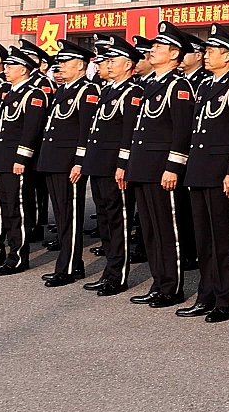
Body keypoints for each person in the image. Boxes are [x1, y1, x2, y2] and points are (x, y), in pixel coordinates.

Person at [179, 23, 229, 320]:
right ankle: (205, 295)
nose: (206, 55)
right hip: (200, 169)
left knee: (224, 239)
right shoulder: (205, 86)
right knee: (204, 239)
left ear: (227, 55)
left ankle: (224, 299)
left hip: (221, 172)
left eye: (212, 51)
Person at [122, 21, 199, 310]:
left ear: (174, 53)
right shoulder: (150, 84)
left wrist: (173, 167)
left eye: (158, 46)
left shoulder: (179, 86)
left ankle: (171, 287)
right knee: (151, 230)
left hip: (161, 168)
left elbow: (182, 131)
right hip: (143, 165)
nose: (152, 50)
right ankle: (158, 283)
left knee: (168, 230)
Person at [75, 37, 140, 297]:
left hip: (114, 166)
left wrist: (123, 164)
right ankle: (108, 272)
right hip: (98, 164)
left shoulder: (132, 92)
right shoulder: (108, 90)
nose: (108, 65)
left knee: (118, 221)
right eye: (108, 61)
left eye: (114, 61)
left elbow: (128, 133)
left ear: (128, 65)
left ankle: (117, 275)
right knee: (104, 219)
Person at [37, 40, 100, 287]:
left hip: (69, 162)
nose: (60, 67)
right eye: (59, 63)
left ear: (81, 66)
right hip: (54, 160)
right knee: (61, 216)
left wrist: (79, 161)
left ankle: (70, 266)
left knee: (70, 216)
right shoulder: (64, 89)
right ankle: (68, 263)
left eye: (65, 62)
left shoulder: (87, 90)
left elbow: (86, 130)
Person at [0, 42, 50, 276]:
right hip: (3, 159)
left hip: (17, 161)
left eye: (10, 66)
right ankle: (10, 253)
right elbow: (0, 129)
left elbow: (31, 130)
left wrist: (22, 159)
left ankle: (18, 258)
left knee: (18, 210)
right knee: (7, 208)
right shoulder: (11, 93)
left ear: (23, 69)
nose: (6, 70)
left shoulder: (34, 94)